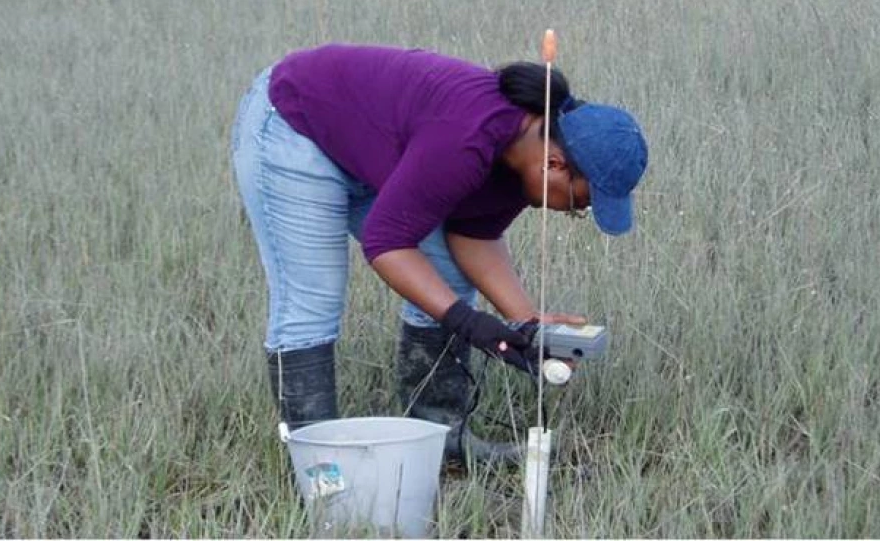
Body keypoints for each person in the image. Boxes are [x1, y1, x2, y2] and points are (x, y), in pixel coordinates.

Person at [230, 44, 648, 467]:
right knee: (313, 299)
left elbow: (474, 235)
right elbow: (387, 242)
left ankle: (443, 437)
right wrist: (469, 323)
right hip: (295, 125)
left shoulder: (527, 161)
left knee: (447, 276)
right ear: (556, 165)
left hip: (369, 151)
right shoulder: (469, 140)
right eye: (581, 202)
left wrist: (525, 321)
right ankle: (316, 470)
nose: (575, 211)